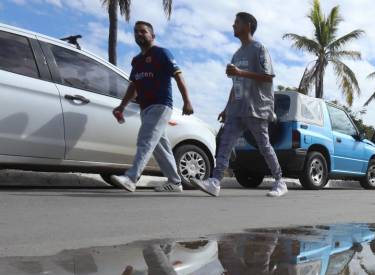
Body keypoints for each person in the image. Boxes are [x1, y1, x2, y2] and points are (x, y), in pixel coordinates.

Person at [192, 12, 286, 198]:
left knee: (264, 146)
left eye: (237, 22)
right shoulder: (236, 55)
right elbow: (235, 84)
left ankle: (279, 181)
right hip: (237, 108)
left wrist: (240, 72)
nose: (233, 25)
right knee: (225, 143)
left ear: (248, 25)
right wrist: (227, 108)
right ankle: (215, 182)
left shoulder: (259, 48)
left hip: (256, 107)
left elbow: (268, 77)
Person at [110, 21, 195, 193]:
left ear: (152, 35)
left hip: (161, 105)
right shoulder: (137, 61)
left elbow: (179, 77)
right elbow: (133, 87)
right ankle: (175, 182)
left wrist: (187, 101)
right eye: (136, 32)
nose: (139, 34)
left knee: (145, 139)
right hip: (145, 108)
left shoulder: (162, 53)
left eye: (143, 31)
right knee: (159, 146)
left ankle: (131, 178)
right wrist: (121, 106)